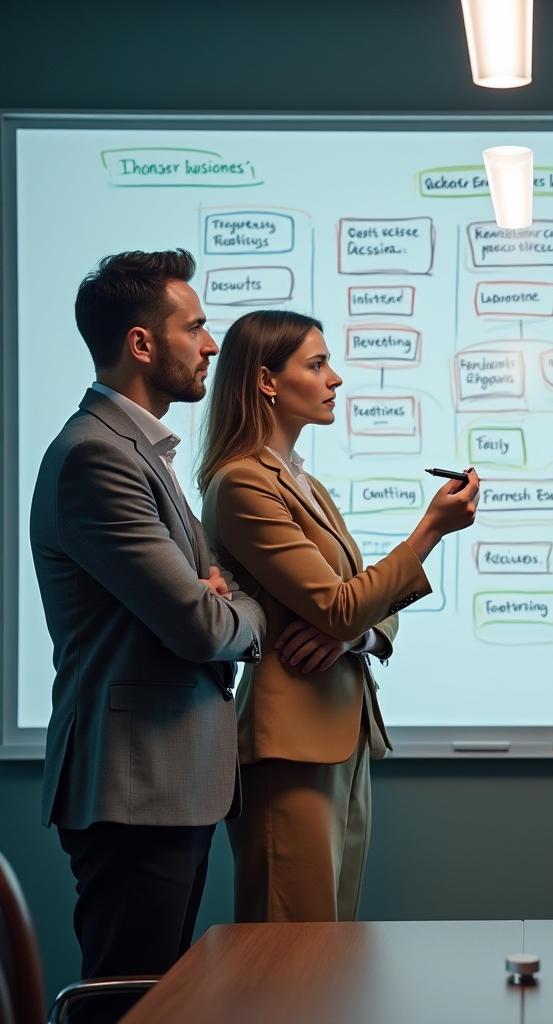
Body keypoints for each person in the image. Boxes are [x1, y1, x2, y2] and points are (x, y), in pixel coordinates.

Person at [31, 250, 266, 1021]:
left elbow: (208, 586)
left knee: (157, 999)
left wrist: (218, 592)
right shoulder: (97, 457)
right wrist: (246, 612)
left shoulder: (142, 452)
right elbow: (202, 623)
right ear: (141, 343)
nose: (210, 344)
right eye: (195, 326)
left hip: (169, 781)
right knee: (130, 1001)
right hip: (136, 786)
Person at [197, 309, 479, 923]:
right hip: (289, 744)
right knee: (288, 953)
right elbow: (340, 602)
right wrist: (430, 530)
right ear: (267, 381)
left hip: (338, 734)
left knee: (327, 945)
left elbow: (359, 607)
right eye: (317, 364)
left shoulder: (305, 484)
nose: (336, 380)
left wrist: (354, 637)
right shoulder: (243, 484)